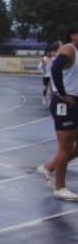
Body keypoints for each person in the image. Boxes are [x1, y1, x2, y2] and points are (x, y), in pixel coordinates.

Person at [36, 27, 78, 200]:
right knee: (65, 145)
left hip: (75, 101)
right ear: (73, 35)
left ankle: (49, 167)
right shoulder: (69, 49)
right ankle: (60, 187)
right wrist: (62, 93)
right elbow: (55, 69)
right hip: (64, 103)